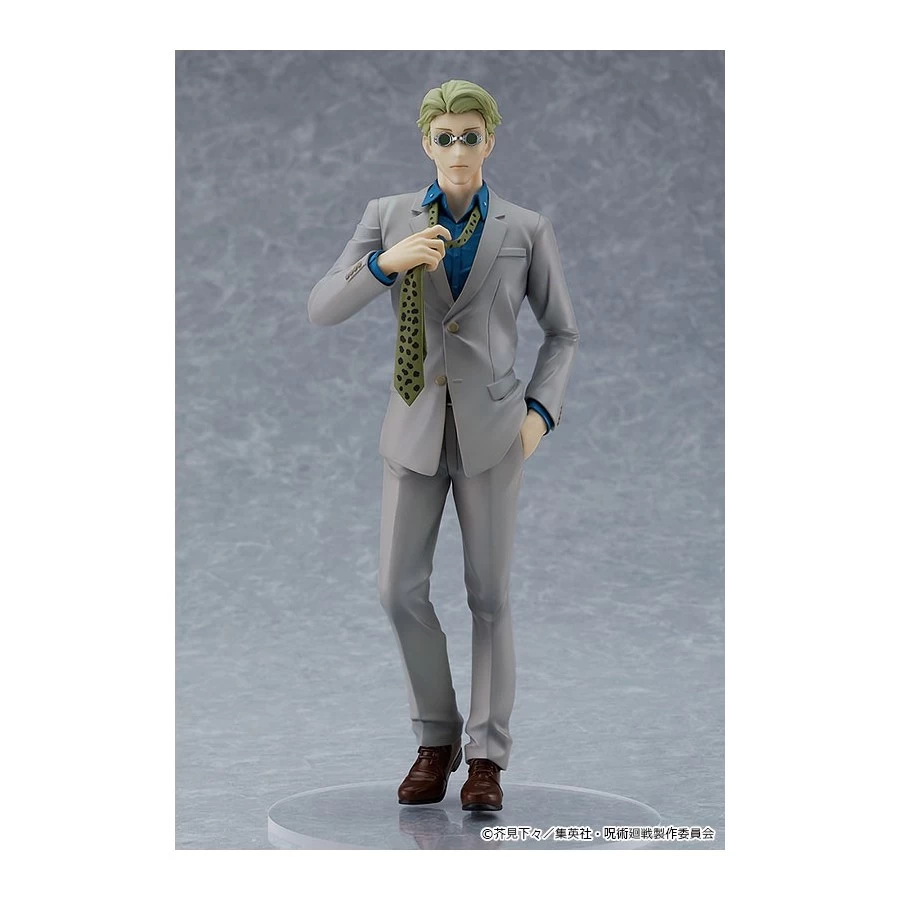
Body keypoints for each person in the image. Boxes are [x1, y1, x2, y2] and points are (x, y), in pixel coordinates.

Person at [308, 79, 578, 811]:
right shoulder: (387, 216)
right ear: (426, 143)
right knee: (397, 589)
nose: (458, 150)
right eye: (445, 137)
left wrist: (539, 414)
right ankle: (437, 736)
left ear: (491, 140)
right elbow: (322, 305)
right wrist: (383, 264)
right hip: (413, 427)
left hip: (494, 433)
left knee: (489, 596)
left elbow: (563, 331)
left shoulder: (526, 229)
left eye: (471, 136)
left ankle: (486, 755)